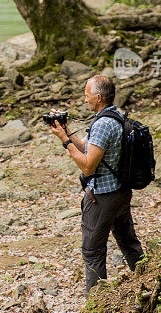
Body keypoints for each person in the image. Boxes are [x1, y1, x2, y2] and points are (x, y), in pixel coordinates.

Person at [48, 74, 144, 294]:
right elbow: (86, 146)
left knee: (92, 252)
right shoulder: (115, 116)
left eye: (87, 95)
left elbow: (88, 166)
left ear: (98, 97)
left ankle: (96, 305)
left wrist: (64, 141)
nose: (85, 100)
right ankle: (148, 282)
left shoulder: (102, 124)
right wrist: (66, 131)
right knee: (129, 243)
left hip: (102, 198)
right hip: (121, 192)